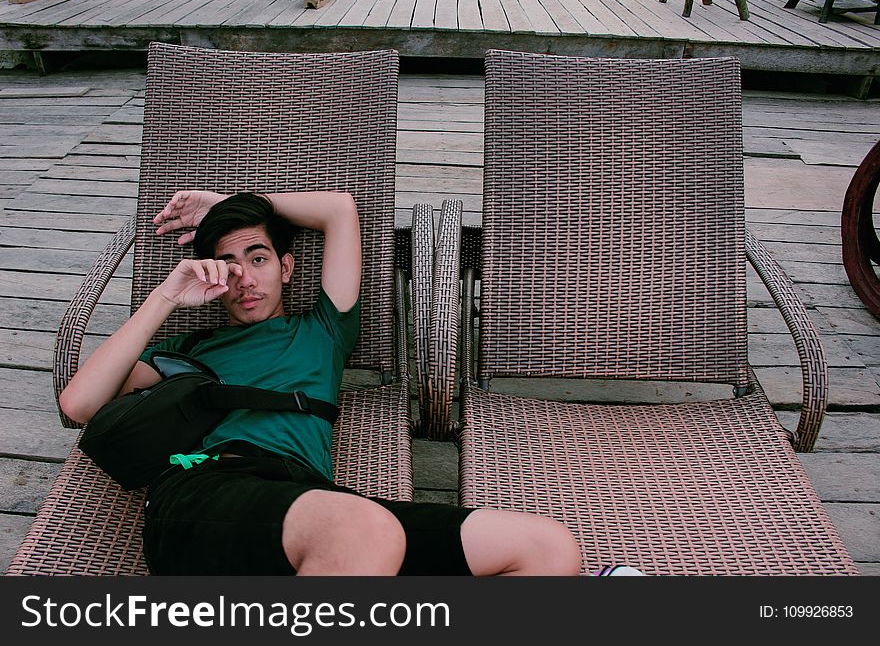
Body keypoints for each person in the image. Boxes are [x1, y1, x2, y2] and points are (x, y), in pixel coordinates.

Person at [59, 190, 583, 576]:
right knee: (362, 530)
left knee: (546, 548)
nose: (244, 278)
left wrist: (235, 204)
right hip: (202, 485)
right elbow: (80, 403)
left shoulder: (323, 330)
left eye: (258, 259)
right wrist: (167, 295)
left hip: (307, 500)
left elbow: (339, 210)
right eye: (227, 264)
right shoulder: (185, 352)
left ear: (286, 267)